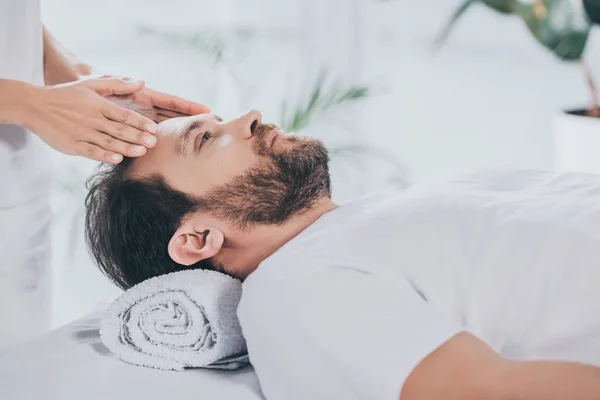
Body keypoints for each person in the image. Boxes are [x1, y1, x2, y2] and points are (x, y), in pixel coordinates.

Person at [84, 111, 600, 399]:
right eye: (206, 139)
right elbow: (486, 393)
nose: (249, 117)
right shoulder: (292, 291)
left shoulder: (382, 217)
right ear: (197, 239)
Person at [0, 0, 208, 351]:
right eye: (204, 139)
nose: (253, 115)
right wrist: (27, 102)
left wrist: (67, 73)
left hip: (17, 195)